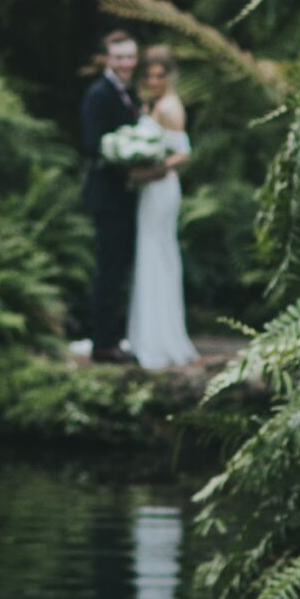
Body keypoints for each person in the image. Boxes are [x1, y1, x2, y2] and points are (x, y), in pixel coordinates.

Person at [126, 45, 198, 372]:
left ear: (170, 77)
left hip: (161, 187)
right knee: (148, 253)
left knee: (159, 252)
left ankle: (160, 337)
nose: (154, 81)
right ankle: (145, 333)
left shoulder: (170, 108)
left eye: (159, 75)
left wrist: (152, 171)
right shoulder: (151, 104)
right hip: (149, 189)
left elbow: (183, 153)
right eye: (149, 75)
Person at [80, 28, 142, 363]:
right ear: (107, 59)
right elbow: (93, 145)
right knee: (109, 267)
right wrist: (128, 160)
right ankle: (103, 343)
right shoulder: (98, 94)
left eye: (131, 56)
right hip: (108, 195)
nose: (126, 63)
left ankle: (115, 336)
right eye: (119, 57)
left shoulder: (128, 91)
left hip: (127, 195)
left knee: (121, 266)